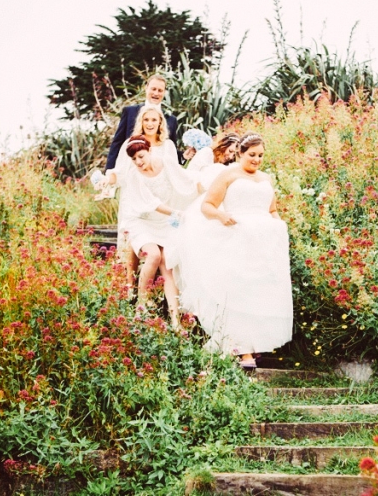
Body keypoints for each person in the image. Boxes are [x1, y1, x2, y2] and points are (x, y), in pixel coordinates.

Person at [177, 133, 293, 368]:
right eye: (252, 155)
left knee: (259, 293)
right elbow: (207, 206)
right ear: (240, 153)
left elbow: (271, 209)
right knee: (239, 292)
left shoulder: (266, 178)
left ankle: (251, 345)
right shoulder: (228, 175)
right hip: (236, 238)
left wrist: (279, 226)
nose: (257, 160)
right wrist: (222, 215)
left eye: (260, 155)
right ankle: (244, 353)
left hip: (263, 242)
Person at [114, 135, 200, 328]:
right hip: (141, 220)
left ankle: (176, 319)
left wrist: (203, 187)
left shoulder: (166, 163)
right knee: (152, 255)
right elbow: (152, 204)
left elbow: (185, 181)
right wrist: (177, 213)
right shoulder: (134, 175)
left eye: (141, 156)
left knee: (167, 265)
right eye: (134, 159)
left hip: (164, 222)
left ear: (150, 151)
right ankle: (142, 305)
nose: (138, 162)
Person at [105, 105, 181, 284]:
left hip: (162, 200)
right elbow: (120, 171)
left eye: (154, 119)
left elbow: (174, 172)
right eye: (146, 119)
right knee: (133, 241)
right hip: (136, 197)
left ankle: (155, 287)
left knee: (159, 252)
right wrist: (108, 179)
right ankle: (130, 284)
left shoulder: (167, 145)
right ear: (141, 121)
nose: (150, 123)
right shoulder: (131, 142)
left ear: (160, 122)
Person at [105, 75, 182, 170]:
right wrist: (109, 172)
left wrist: (184, 156)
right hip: (131, 170)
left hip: (157, 173)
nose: (156, 93)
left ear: (164, 92)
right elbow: (117, 144)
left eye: (160, 90)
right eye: (153, 89)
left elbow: (171, 151)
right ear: (146, 88)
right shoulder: (129, 112)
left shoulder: (171, 119)